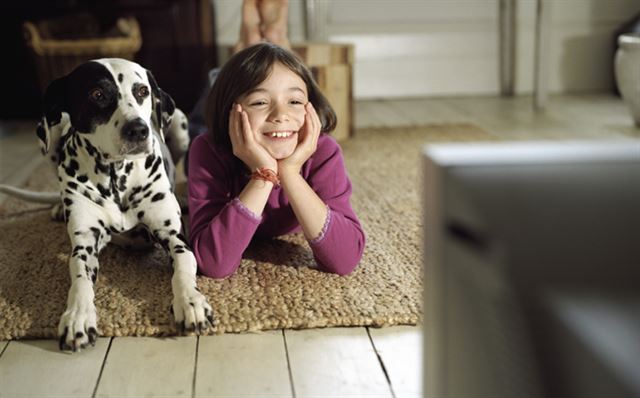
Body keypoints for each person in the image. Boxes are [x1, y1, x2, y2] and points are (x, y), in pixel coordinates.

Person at [186, 0, 365, 279]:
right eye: (259, 102)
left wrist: (290, 172)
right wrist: (264, 175)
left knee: (273, 70)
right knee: (200, 115)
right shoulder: (207, 150)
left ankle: (267, 42)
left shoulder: (324, 151)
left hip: (264, 130)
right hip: (217, 132)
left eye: (295, 100)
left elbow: (345, 260)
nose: (281, 114)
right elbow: (213, 263)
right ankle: (250, 43)